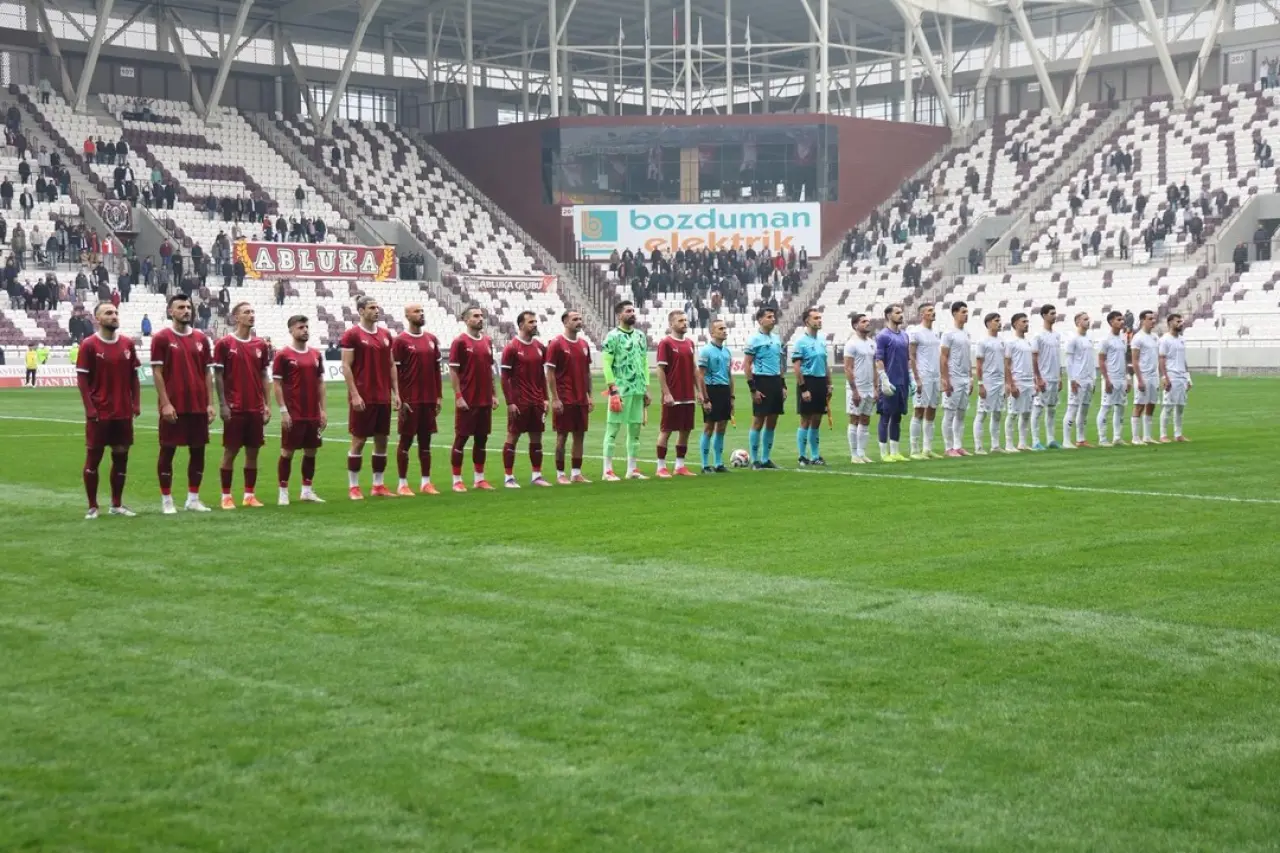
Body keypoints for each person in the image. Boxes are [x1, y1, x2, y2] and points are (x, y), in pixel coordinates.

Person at [151, 293, 215, 514]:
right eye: (180, 307)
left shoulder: (201, 338)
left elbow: (207, 372)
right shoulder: (161, 338)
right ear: (171, 312)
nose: (186, 311)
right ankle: (167, 500)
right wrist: (165, 403)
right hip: (174, 406)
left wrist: (210, 403)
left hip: (198, 405)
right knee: (167, 450)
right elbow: (157, 372)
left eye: (188, 307)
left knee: (198, 451)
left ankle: (193, 499)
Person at [76, 303, 141, 518]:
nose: (114, 316)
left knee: (121, 457)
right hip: (100, 412)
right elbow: (82, 380)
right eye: (108, 313)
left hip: (123, 412)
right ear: (97, 318)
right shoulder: (89, 345)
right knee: (94, 458)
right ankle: (93, 506)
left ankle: (116, 504)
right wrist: (89, 408)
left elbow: (134, 376)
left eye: (115, 313)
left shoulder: (127, 344)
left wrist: (136, 402)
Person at [339, 295, 399, 499]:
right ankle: (353, 487)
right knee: (359, 441)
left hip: (383, 397)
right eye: (372, 307)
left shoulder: (386, 334)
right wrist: (355, 395)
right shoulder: (352, 335)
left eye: (377, 307)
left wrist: (396, 393)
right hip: (363, 397)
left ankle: (378, 485)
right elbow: (346, 366)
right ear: (361, 311)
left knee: (382, 440)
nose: (376, 310)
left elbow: (391, 365)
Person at [213, 302, 271, 510]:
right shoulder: (224, 344)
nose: (251, 315)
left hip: (255, 407)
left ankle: (249, 495)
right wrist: (223, 404)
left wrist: (267, 404)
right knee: (231, 451)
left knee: (253, 452)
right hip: (235, 407)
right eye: (247, 312)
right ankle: (226, 496)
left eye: (253, 311)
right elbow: (218, 375)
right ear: (236, 317)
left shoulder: (261, 345)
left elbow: (264, 375)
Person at [272, 315, 326, 504]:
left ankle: (307, 491)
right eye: (300, 327)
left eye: (306, 327)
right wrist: (283, 411)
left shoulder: (316, 354)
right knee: (287, 452)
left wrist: (323, 410)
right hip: (293, 413)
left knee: (311, 451)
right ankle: (283, 492)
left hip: (312, 413)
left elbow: (320, 383)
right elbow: (277, 385)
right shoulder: (283, 355)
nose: (305, 330)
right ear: (291, 330)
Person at [392, 303, 443, 495]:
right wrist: (399, 396)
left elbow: (436, 370)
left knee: (426, 442)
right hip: (410, 400)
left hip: (428, 399)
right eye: (416, 311)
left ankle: (426, 482)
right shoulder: (400, 341)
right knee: (406, 441)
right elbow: (395, 371)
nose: (421, 314)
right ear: (407, 316)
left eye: (422, 311)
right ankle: (402, 484)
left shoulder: (431, 339)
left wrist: (438, 396)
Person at [448, 306, 498, 492]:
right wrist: (458, 396)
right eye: (476, 316)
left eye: (481, 316)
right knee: (461, 439)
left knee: (481, 440)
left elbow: (489, 369)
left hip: (484, 400)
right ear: (466, 320)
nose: (480, 319)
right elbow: (453, 371)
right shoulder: (460, 342)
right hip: (468, 400)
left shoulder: (487, 341)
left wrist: (493, 394)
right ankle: (457, 480)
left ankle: (479, 479)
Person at [499, 311, 550, 488]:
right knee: (513, 436)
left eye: (535, 321)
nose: (535, 324)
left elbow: (542, 375)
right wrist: (510, 402)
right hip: (520, 401)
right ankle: (508, 477)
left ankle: (537, 475)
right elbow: (504, 377)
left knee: (537, 438)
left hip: (537, 401)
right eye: (531, 322)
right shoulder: (511, 348)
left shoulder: (540, 347)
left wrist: (546, 398)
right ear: (521, 325)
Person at [601, 301, 650, 480]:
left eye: (633, 311)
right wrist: (612, 388)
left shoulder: (640, 336)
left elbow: (644, 362)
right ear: (619, 315)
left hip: (638, 389)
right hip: (621, 390)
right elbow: (606, 364)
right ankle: (607, 470)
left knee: (635, 430)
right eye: (628, 311)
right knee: (613, 429)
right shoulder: (612, 336)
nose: (632, 313)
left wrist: (646, 388)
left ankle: (632, 469)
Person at [544, 310, 593, 484]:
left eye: (580, 319)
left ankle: (576, 473)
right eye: (575, 319)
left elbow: (587, 372)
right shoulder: (556, 344)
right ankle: (560, 474)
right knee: (562, 436)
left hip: (581, 398)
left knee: (580, 435)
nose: (579, 321)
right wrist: (555, 398)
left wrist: (589, 395)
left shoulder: (584, 344)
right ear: (565, 322)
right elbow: (550, 372)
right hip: (564, 398)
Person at [655, 310, 698, 478]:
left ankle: (680, 466)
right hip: (673, 395)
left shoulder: (690, 343)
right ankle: (661, 467)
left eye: (685, 320)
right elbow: (660, 369)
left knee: (685, 430)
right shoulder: (665, 343)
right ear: (671, 324)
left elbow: (694, 369)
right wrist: (666, 393)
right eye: (680, 320)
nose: (684, 323)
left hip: (688, 395)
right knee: (666, 430)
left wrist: (700, 392)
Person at [742, 306, 785, 469]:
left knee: (772, 420)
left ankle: (766, 459)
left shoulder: (776, 339)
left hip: (775, 381)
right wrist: (753, 389)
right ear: (760, 320)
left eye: (773, 316)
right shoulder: (754, 340)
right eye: (769, 317)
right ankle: (754, 460)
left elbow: (779, 363)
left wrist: (783, 385)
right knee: (758, 420)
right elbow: (747, 364)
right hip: (761, 380)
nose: (773, 319)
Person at [791, 308, 830, 466]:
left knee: (817, 419)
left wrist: (829, 383)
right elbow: (796, 367)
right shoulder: (801, 342)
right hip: (808, 381)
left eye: (820, 318)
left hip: (821, 381)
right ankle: (802, 456)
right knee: (805, 419)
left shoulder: (822, 340)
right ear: (807, 321)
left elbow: (825, 364)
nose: (819, 320)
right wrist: (803, 389)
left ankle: (815, 456)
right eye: (815, 318)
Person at [696, 318, 733, 473]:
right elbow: (700, 375)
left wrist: (732, 397)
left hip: (724, 390)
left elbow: (729, 375)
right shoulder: (706, 351)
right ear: (712, 332)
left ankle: (718, 463)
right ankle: (705, 465)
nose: (724, 331)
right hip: (711, 390)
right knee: (709, 427)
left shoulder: (727, 351)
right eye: (720, 329)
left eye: (725, 328)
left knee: (722, 426)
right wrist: (705, 398)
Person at [874, 304, 911, 462]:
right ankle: (884, 453)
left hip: (903, 381)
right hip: (890, 381)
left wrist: (911, 378)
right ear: (889, 315)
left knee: (897, 416)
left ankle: (895, 451)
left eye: (901, 312)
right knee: (885, 416)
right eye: (897, 312)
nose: (901, 315)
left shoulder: (905, 336)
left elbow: (907, 359)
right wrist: (884, 379)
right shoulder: (883, 336)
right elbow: (879, 359)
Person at [907, 304, 942, 460]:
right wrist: (916, 378)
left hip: (935, 376)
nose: (933, 313)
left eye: (933, 310)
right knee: (919, 410)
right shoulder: (915, 332)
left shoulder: (935, 333)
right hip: (923, 375)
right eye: (929, 311)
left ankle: (927, 449)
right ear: (922, 314)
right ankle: (914, 449)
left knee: (932, 410)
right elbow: (911, 356)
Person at [842, 313, 877, 464]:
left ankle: (862, 453)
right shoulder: (851, 344)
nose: (867, 323)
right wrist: (854, 390)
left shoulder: (872, 343)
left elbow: (874, 366)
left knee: (865, 419)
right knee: (854, 419)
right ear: (855, 325)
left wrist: (876, 387)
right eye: (863, 321)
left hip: (869, 388)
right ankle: (854, 454)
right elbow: (848, 368)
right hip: (857, 388)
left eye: (868, 321)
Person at [939, 301, 972, 457]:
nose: (966, 314)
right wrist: (945, 379)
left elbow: (968, 358)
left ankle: (958, 446)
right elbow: (943, 357)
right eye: (963, 312)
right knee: (949, 413)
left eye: (967, 311)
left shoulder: (966, 334)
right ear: (954, 313)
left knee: (961, 414)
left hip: (965, 378)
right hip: (954, 378)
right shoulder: (948, 334)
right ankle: (948, 447)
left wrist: (970, 377)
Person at [1030, 304, 1063, 450]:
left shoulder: (1057, 335)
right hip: (1044, 378)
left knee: (1051, 409)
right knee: (1038, 409)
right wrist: (1038, 378)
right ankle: (1035, 441)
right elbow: (1034, 358)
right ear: (1044, 315)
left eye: (1055, 313)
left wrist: (1060, 376)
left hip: (1054, 378)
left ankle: (1051, 439)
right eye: (1051, 313)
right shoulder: (1038, 336)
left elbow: (1057, 357)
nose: (1054, 316)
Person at [973, 312, 1006, 455]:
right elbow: (979, 364)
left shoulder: (1002, 342)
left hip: (1000, 382)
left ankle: (995, 445)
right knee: (982, 414)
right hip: (988, 381)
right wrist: (980, 383)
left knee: (997, 413)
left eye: (999, 320)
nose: (999, 323)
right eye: (996, 321)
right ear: (988, 323)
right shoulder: (982, 342)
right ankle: (978, 447)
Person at [1061, 312, 1096, 449]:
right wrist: (1072, 379)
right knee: (1072, 408)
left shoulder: (1089, 338)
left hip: (1088, 379)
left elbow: (1091, 360)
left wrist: (1093, 379)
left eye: (1088, 319)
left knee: (1084, 409)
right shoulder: (1073, 339)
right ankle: (1066, 441)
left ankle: (1081, 439)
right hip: (1078, 380)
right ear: (1078, 322)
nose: (1088, 321)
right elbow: (1069, 361)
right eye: (1085, 319)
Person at [1003, 313, 1035, 452]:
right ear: (1015, 324)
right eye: (1023, 321)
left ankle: (1022, 443)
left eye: (1027, 321)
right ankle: (1009, 444)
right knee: (1013, 413)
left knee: (1026, 413)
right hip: (1018, 381)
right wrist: (1011, 384)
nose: (1026, 324)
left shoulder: (1028, 343)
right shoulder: (1011, 343)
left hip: (1029, 382)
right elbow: (1007, 365)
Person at [1096, 310, 1130, 446]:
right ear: (1111, 322)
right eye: (1119, 319)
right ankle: (1102, 438)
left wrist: (1127, 377)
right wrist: (1106, 379)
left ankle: (1117, 437)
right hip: (1111, 378)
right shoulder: (1105, 340)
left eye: (1122, 319)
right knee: (1106, 407)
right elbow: (1101, 360)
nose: (1122, 322)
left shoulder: (1123, 338)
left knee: (1120, 407)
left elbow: (1124, 359)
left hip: (1121, 378)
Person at [1158, 313, 1191, 443]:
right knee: (1168, 406)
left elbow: (1183, 360)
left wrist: (1188, 377)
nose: (1180, 323)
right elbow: (1161, 359)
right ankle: (1163, 435)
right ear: (1170, 323)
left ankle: (1178, 434)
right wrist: (1164, 377)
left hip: (1182, 377)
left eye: (1181, 321)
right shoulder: (1164, 339)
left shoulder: (1182, 339)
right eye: (1178, 321)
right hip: (1171, 375)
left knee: (1180, 407)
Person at [1129, 309, 1160, 445]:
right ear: (1142, 320)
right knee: (1139, 405)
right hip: (1143, 376)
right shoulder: (1138, 338)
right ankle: (1135, 437)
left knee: (1151, 404)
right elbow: (1135, 360)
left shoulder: (1155, 337)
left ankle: (1147, 436)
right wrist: (1139, 379)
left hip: (1154, 376)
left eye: (1154, 318)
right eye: (1150, 319)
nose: (1153, 321)